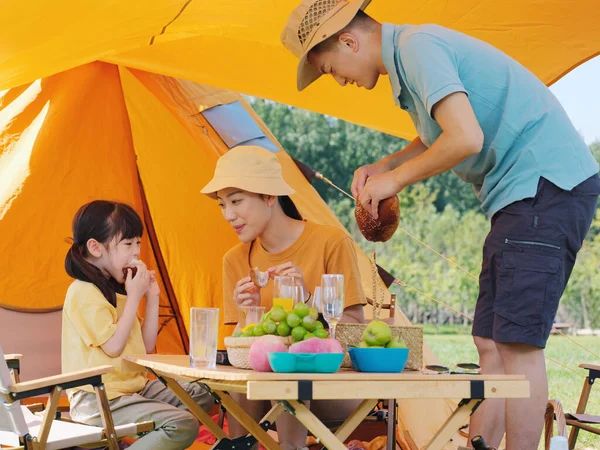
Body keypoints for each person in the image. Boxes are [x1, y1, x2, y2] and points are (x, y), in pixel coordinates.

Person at [280, 2, 600, 449]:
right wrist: (385, 164)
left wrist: (394, 180)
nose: (341, 80)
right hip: (519, 197)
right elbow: (439, 131)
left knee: (517, 345)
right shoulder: (410, 60)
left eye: (333, 68)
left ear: (349, 41)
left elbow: (466, 137)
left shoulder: (417, 48)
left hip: (544, 185)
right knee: (489, 342)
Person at [201, 145, 366, 450]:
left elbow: (355, 327)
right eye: (222, 205)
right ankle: (241, 446)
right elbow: (240, 351)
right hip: (260, 390)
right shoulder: (235, 260)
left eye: (236, 201)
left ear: (269, 196)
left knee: (286, 372)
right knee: (245, 380)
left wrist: (307, 299)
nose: (228, 215)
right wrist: (246, 315)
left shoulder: (330, 242)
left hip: (332, 385)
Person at [62, 200, 215, 450]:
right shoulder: (83, 291)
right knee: (182, 424)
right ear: (95, 247)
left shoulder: (117, 288)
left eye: (138, 243)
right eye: (128, 244)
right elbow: (113, 347)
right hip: (98, 399)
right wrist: (134, 296)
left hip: (134, 389)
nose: (136, 252)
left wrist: (151, 297)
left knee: (207, 392)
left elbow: (145, 346)